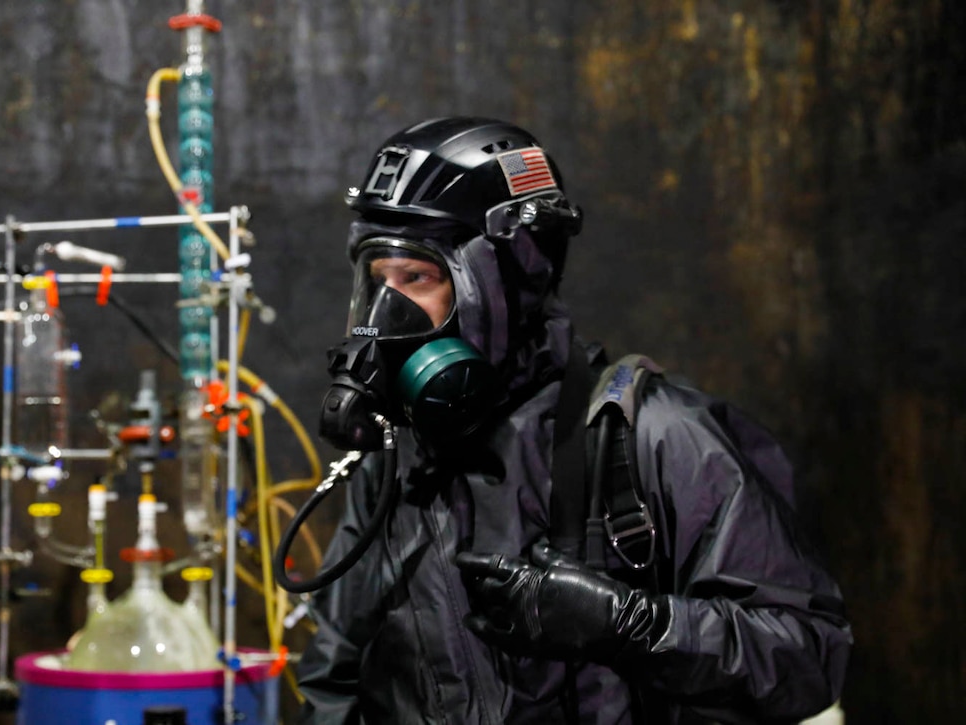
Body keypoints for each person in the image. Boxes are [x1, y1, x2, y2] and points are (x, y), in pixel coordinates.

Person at [295, 117, 852, 724]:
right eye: (377, 280)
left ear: (508, 279)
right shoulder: (397, 453)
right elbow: (335, 674)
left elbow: (806, 657)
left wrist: (629, 625)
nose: (386, 314)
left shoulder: (650, 437)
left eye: (418, 278)